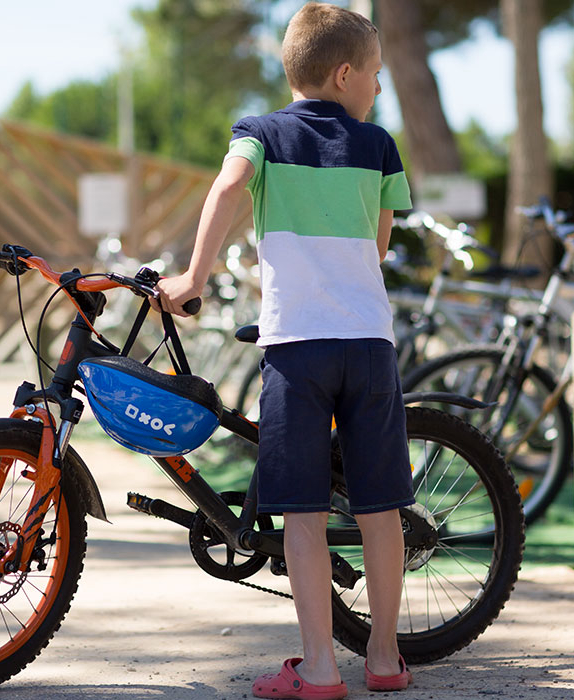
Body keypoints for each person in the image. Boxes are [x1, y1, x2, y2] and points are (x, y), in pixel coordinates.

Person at [156, 4, 413, 697]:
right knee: (379, 507)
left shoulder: (258, 132)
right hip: (368, 344)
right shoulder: (379, 145)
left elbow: (229, 184)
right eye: (377, 76)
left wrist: (193, 277)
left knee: (300, 511)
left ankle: (321, 668)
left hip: (297, 349)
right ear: (344, 73)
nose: (380, 90)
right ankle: (385, 660)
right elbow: (381, 244)